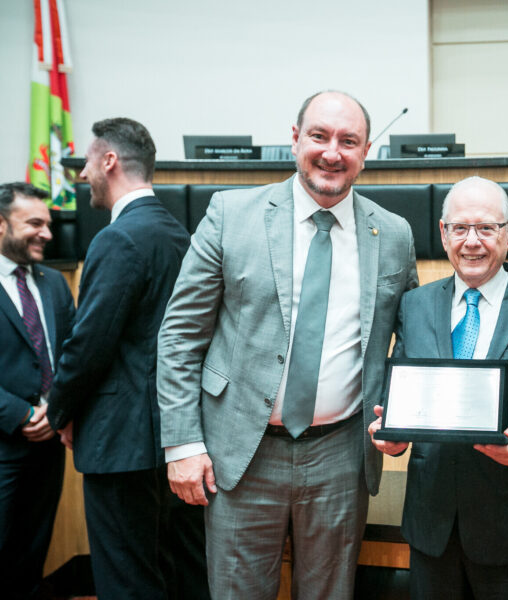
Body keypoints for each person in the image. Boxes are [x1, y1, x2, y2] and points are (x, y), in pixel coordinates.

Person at [157, 90, 418, 600]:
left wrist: (402, 418)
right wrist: (183, 444)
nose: (332, 152)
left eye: (349, 141)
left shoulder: (393, 233)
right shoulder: (231, 214)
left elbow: (409, 339)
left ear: (366, 152)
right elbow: (180, 335)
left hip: (341, 454)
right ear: (295, 139)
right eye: (319, 136)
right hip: (240, 452)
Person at [369, 176, 508, 599]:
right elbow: (397, 388)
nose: (472, 242)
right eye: (460, 228)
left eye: (486, 228)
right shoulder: (415, 304)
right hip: (431, 526)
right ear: (443, 233)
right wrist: (389, 431)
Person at [46, 118, 209, 600]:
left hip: (120, 442)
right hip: (175, 437)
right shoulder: (180, 235)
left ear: (110, 161)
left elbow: (88, 344)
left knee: (126, 582)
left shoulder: (118, 238)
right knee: (179, 575)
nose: (83, 175)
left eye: (88, 163)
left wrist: (60, 411)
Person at [0, 182, 74, 600]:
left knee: (32, 553)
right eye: (34, 223)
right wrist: (21, 414)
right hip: (4, 442)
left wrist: (56, 409)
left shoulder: (54, 283)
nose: (46, 233)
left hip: (48, 446)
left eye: (47, 224)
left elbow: (72, 354)